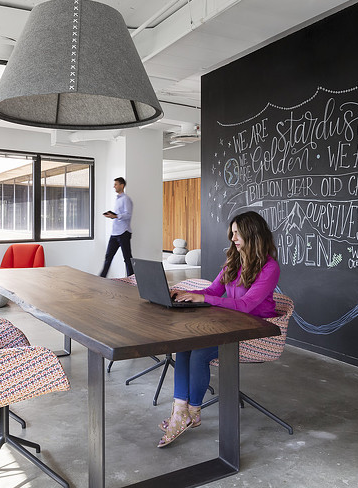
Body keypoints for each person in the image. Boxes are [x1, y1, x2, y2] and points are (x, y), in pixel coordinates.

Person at [157, 210, 280, 448]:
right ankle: (181, 411)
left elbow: (246, 305)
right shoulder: (234, 261)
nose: (233, 239)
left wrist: (203, 299)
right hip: (229, 325)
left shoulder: (269, 268)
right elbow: (213, 291)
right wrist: (183, 294)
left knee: (200, 354)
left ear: (251, 234)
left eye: (237, 233)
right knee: (184, 345)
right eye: (232, 233)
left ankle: (192, 412)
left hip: (255, 331)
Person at [99, 177, 134, 277]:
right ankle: (101, 277)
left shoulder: (126, 199)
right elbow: (119, 215)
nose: (114, 186)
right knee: (108, 257)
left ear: (122, 185)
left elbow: (128, 215)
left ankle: (132, 279)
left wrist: (116, 216)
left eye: (116, 184)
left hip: (124, 232)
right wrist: (113, 216)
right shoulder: (118, 199)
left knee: (127, 258)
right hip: (115, 233)